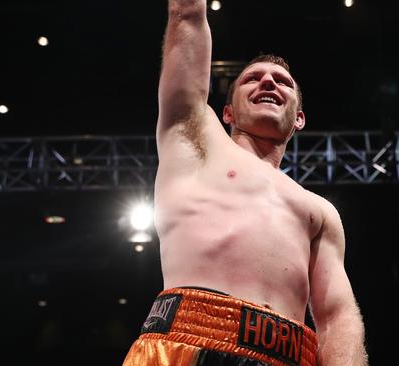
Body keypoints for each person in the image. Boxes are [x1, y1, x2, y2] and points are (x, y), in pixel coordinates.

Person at [122, 1, 368, 365]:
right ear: (228, 113)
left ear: (299, 118)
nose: (268, 80)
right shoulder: (195, 140)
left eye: (282, 81)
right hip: (188, 342)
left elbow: (337, 316)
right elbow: (186, 15)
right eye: (252, 78)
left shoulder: (319, 211)